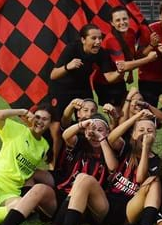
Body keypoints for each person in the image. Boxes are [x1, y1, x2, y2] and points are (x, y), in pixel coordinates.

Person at [47, 24, 118, 168]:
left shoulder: (101, 53)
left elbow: (110, 77)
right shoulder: (72, 49)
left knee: (91, 121)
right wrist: (68, 66)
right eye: (94, 38)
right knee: (57, 129)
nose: (98, 41)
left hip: (82, 88)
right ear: (83, 40)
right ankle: (54, 166)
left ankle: (88, 159)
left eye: (100, 38)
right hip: (61, 89)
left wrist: (122, 70)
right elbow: (53, 75)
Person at [94, 8, 157, 112]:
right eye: (118, 20)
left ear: (129, 19)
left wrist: (151, 46)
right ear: (112, 23)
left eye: (124, 19)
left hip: (119, 79)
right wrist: (148, 59)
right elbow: (123, 66)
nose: (122, 22)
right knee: (117, 114)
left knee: (126, 110)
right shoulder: (111, 40)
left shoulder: (131, 33)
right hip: (105, 83)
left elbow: (131, 56)